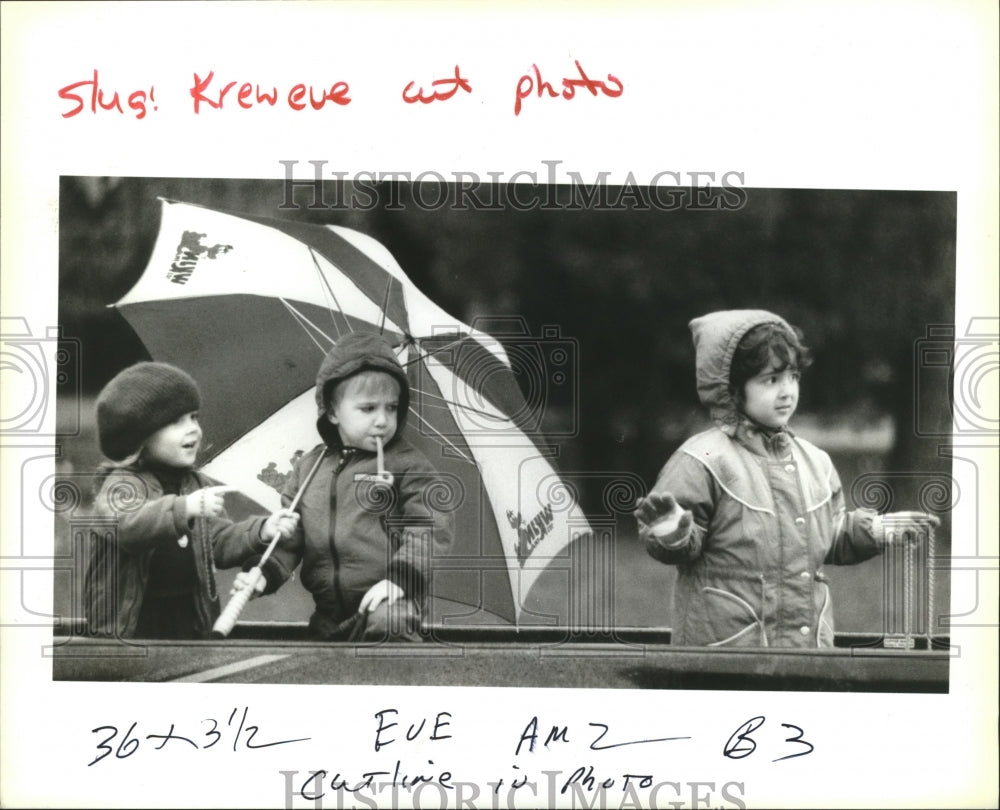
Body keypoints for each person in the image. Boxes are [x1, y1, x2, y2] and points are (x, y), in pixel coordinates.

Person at [633, 309, 940, 648]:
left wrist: (879, 531)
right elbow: (681, 546)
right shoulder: (703, 459)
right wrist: (671, 532)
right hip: (725, 656)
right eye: (771, 380)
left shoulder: (815, 461)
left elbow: (829, 535)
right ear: (731, 388)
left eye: (793, 376)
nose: (787, 391)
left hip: (807, 652)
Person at [231, 331, 454, 642]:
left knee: (387, 629)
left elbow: (428, 527)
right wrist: (263, 573)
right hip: (329, 613)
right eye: (368, 408)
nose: (382, 420)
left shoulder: (407, 465)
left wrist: (400, 580)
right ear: (333, 412)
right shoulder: (310, 468)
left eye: (391, 407)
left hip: (390, 602)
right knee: (325, 666)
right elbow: (289, 538)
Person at [84, 362, 296, 639]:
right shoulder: (121, 485)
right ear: (140, 436)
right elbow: (127, 526)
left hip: (189, 616)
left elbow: (218, 541)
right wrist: (185, 508)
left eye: (194, 417)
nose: (193, 429)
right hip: (131, 623)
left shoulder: (196, 485)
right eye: (176, 421)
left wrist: (262, 530)